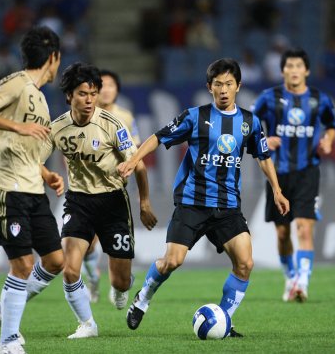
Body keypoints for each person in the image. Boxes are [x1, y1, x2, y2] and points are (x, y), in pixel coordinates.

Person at [118, 58, 290, 337]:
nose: (224, 89)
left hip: (228, 206)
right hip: (192, 202)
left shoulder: (250, 122)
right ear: (209, 87)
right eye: (218, 84)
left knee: (245, 263)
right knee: (172, 261)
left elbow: (263, 156)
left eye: (229, 84)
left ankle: (224, 319)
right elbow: (157, 138)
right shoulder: (195, 116)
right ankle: (144, 297)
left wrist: (278, 190)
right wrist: (132, 159)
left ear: (238, 86)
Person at [40, 62, 157, 338]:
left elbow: (138, 165)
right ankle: (87, 324)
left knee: (119, 281)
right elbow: (33, 160)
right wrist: (46, 174)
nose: (90, 99)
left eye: (93, 93)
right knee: (69, 269)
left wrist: (144, 203)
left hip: (113, 201)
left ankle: (122, 285)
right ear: (69, 95)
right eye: (83, 93)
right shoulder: (57, 128)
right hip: (78, 201)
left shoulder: (113, 124)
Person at [0, 26, 64, 354]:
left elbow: (23, 148)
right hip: (8, 189)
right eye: (57, 60)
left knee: (55, 260)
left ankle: (2, 308)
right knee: (22, 265)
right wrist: (16, 125)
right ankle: (7, 340)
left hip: (34, 190)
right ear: (53, 58)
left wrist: (47, 172)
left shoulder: (38, 97)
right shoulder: (17, 83)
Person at [252, 48, 335, 303]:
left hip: (307, 172)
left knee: (304, 228)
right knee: (282, 233)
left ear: (307, 71)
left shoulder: (319, 100)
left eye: (299, 65)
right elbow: (248, 127)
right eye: (289, 66)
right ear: (282, 71)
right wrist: (264, 140)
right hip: (277, 174)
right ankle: (290, 277)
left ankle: (302, 282)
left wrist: (328, 141)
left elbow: (332, 125)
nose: (294, 70)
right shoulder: (269, 98)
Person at [80, 68, 143, 303]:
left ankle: (121, 282)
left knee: (114, 246)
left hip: (115, 191)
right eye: (102, 86)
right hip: (85, 190)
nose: (106, 90)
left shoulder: (125, 117)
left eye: (111, 86)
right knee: (86, 244)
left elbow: (136, 156)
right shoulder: (84, 114)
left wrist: (140, 194)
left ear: (117, 90)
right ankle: (93, 280)